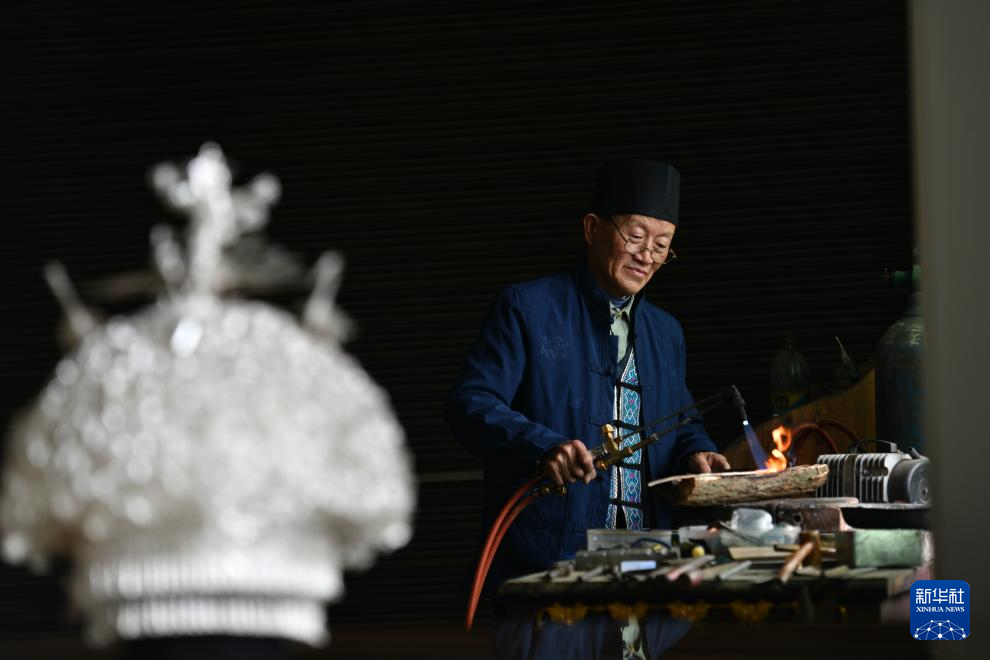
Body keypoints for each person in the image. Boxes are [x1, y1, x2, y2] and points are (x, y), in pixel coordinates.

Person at [445, 159, 730, 593]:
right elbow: (471, 401)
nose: (646, 256)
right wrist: (543, 446)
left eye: (661, 246)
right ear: (593, 228)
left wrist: (698, 452)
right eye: (635, 237)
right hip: (548, 556)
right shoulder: (528, 308)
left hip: (649, 556)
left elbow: (682, 419)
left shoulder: (667, 332)